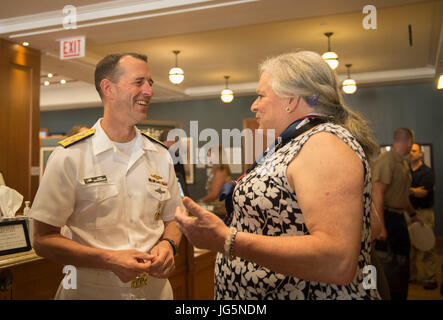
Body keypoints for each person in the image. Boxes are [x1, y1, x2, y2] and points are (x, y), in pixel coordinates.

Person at [175, 51, 381, 300]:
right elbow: (369, 224)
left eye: (261, 95)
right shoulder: (298, 144)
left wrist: (227, 240)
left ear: (291, 99)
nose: (254, 105)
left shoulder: (323, 143)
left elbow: (337, 260)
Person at [30, 53, 183, 300]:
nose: (149, 91)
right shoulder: (70, 155)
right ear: (108, 88)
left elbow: (174, 219)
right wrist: (109, 259)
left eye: (150, 83)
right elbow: (42, 239)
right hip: (90, 291)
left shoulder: (160, 155)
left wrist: (168, 244)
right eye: (139, 82)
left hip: (155, 291)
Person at [372, 127, 421, 300]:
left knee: (402, 263)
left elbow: (401, 195)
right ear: (409, 142)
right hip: (388, 217)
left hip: (399, 217)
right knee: (388, 265)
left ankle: (399, 295)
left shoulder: (402, 162)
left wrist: (413, 214)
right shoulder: (387, 159)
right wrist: (381, 227)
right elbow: (377, 192)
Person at [408, 142, 437, 290]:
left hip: (424, 213)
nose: (411, 153)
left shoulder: (427, 172)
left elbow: (423, 193)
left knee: (427, 246)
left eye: (414, 151)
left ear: (420, 154)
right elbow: (412, 192)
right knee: (409, 248)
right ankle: (411, 276)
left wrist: (407, 189)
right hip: (407, 213)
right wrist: (413, 190)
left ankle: (430, 278)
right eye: (410, 151)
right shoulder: (404, 171)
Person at [159, 129, 189, 197]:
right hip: (173, 191)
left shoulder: (155, 154)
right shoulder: (175, 155)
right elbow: (181, 178)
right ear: (169, 141)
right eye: (174, 141)